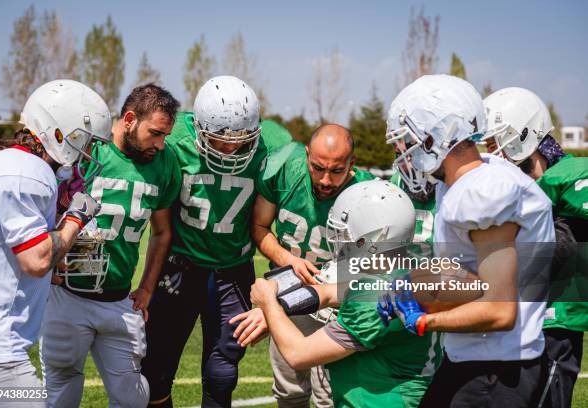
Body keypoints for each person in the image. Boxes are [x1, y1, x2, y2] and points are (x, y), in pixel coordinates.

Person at [384, 74, 555, 407]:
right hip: (478, 361)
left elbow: (498, 310)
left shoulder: (483, 192)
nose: (400, 152)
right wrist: (413, 285)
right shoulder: (467, 180)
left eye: (405, 141)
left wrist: (424, 320)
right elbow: (469, 274)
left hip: (497, 371)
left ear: (435, 137)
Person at [141, 75, 292, 408]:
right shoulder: (174, 136)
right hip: (180, 264)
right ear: (198, 128)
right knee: (155, 371)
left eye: (242, 139)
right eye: (219, 139)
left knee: (222, 373)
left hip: (233, 269)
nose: (230, 148)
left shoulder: (277, 144)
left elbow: (286, 222)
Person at [39, 84, 181, 408]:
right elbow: (47, 212)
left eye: (166, 136)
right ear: (129, 119)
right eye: (156, 133)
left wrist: (146, 288)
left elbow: (161, 232)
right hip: (67, 295)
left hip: (119, 298)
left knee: (132, 398)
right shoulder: (89, 148)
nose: (161, 144)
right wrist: (48, 266)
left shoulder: (165, 162)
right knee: (60, 391)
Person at [248, 179, 443, 407]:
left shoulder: (374, 297)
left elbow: (298, 354)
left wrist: (268, 303)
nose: (339, 240)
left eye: (345, 234)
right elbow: (329, 293)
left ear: (375, 237)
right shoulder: (402, 268)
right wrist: (282, 304)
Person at [0, 79, 110, 407]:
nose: (88, 153)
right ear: (62, 132)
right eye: (87, 141)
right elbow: (35, 260)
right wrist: (75, 220)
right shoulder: (26, 171)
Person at [246, 125, 374, 408]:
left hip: (336, 300)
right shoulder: (283, 170)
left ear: (352, 163)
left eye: (337, 170)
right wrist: (288, 260)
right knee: (289, 389)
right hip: (289, 291)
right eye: (317, 168)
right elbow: (258, 227)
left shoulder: (368, 193)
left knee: (329, 394)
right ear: (306, 156)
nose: (326, 179)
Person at [483, 87, 588, 408]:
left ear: (523, 134)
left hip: (554, 326)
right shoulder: (517, 185)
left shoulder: (568, 175)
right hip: (515, 320)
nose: (490, 154)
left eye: (494, 143)